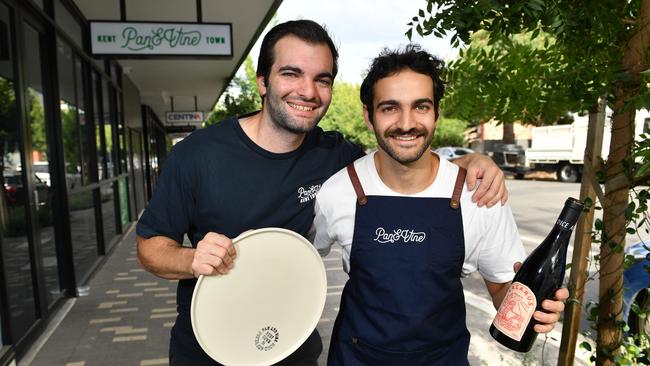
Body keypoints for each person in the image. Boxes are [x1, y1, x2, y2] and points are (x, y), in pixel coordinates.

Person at [136, 20, 509, 366]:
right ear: (263, 82)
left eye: (322, 79)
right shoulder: (197, 156)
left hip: (293, 347)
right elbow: (150, 247)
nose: (308, 91)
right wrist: (192, 259)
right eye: (291, 74)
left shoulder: (334, 156)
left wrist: (469, 163)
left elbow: (398, 159)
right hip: (212, 348)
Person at [312, 44, 569, 365]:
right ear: (368, 115)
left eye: (420, 107)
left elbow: (505, 291)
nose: (406, 123)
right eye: (390, 107)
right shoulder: (338, 191)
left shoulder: (479, 195)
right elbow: (303, 261)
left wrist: (537, 309)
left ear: (436, 112)